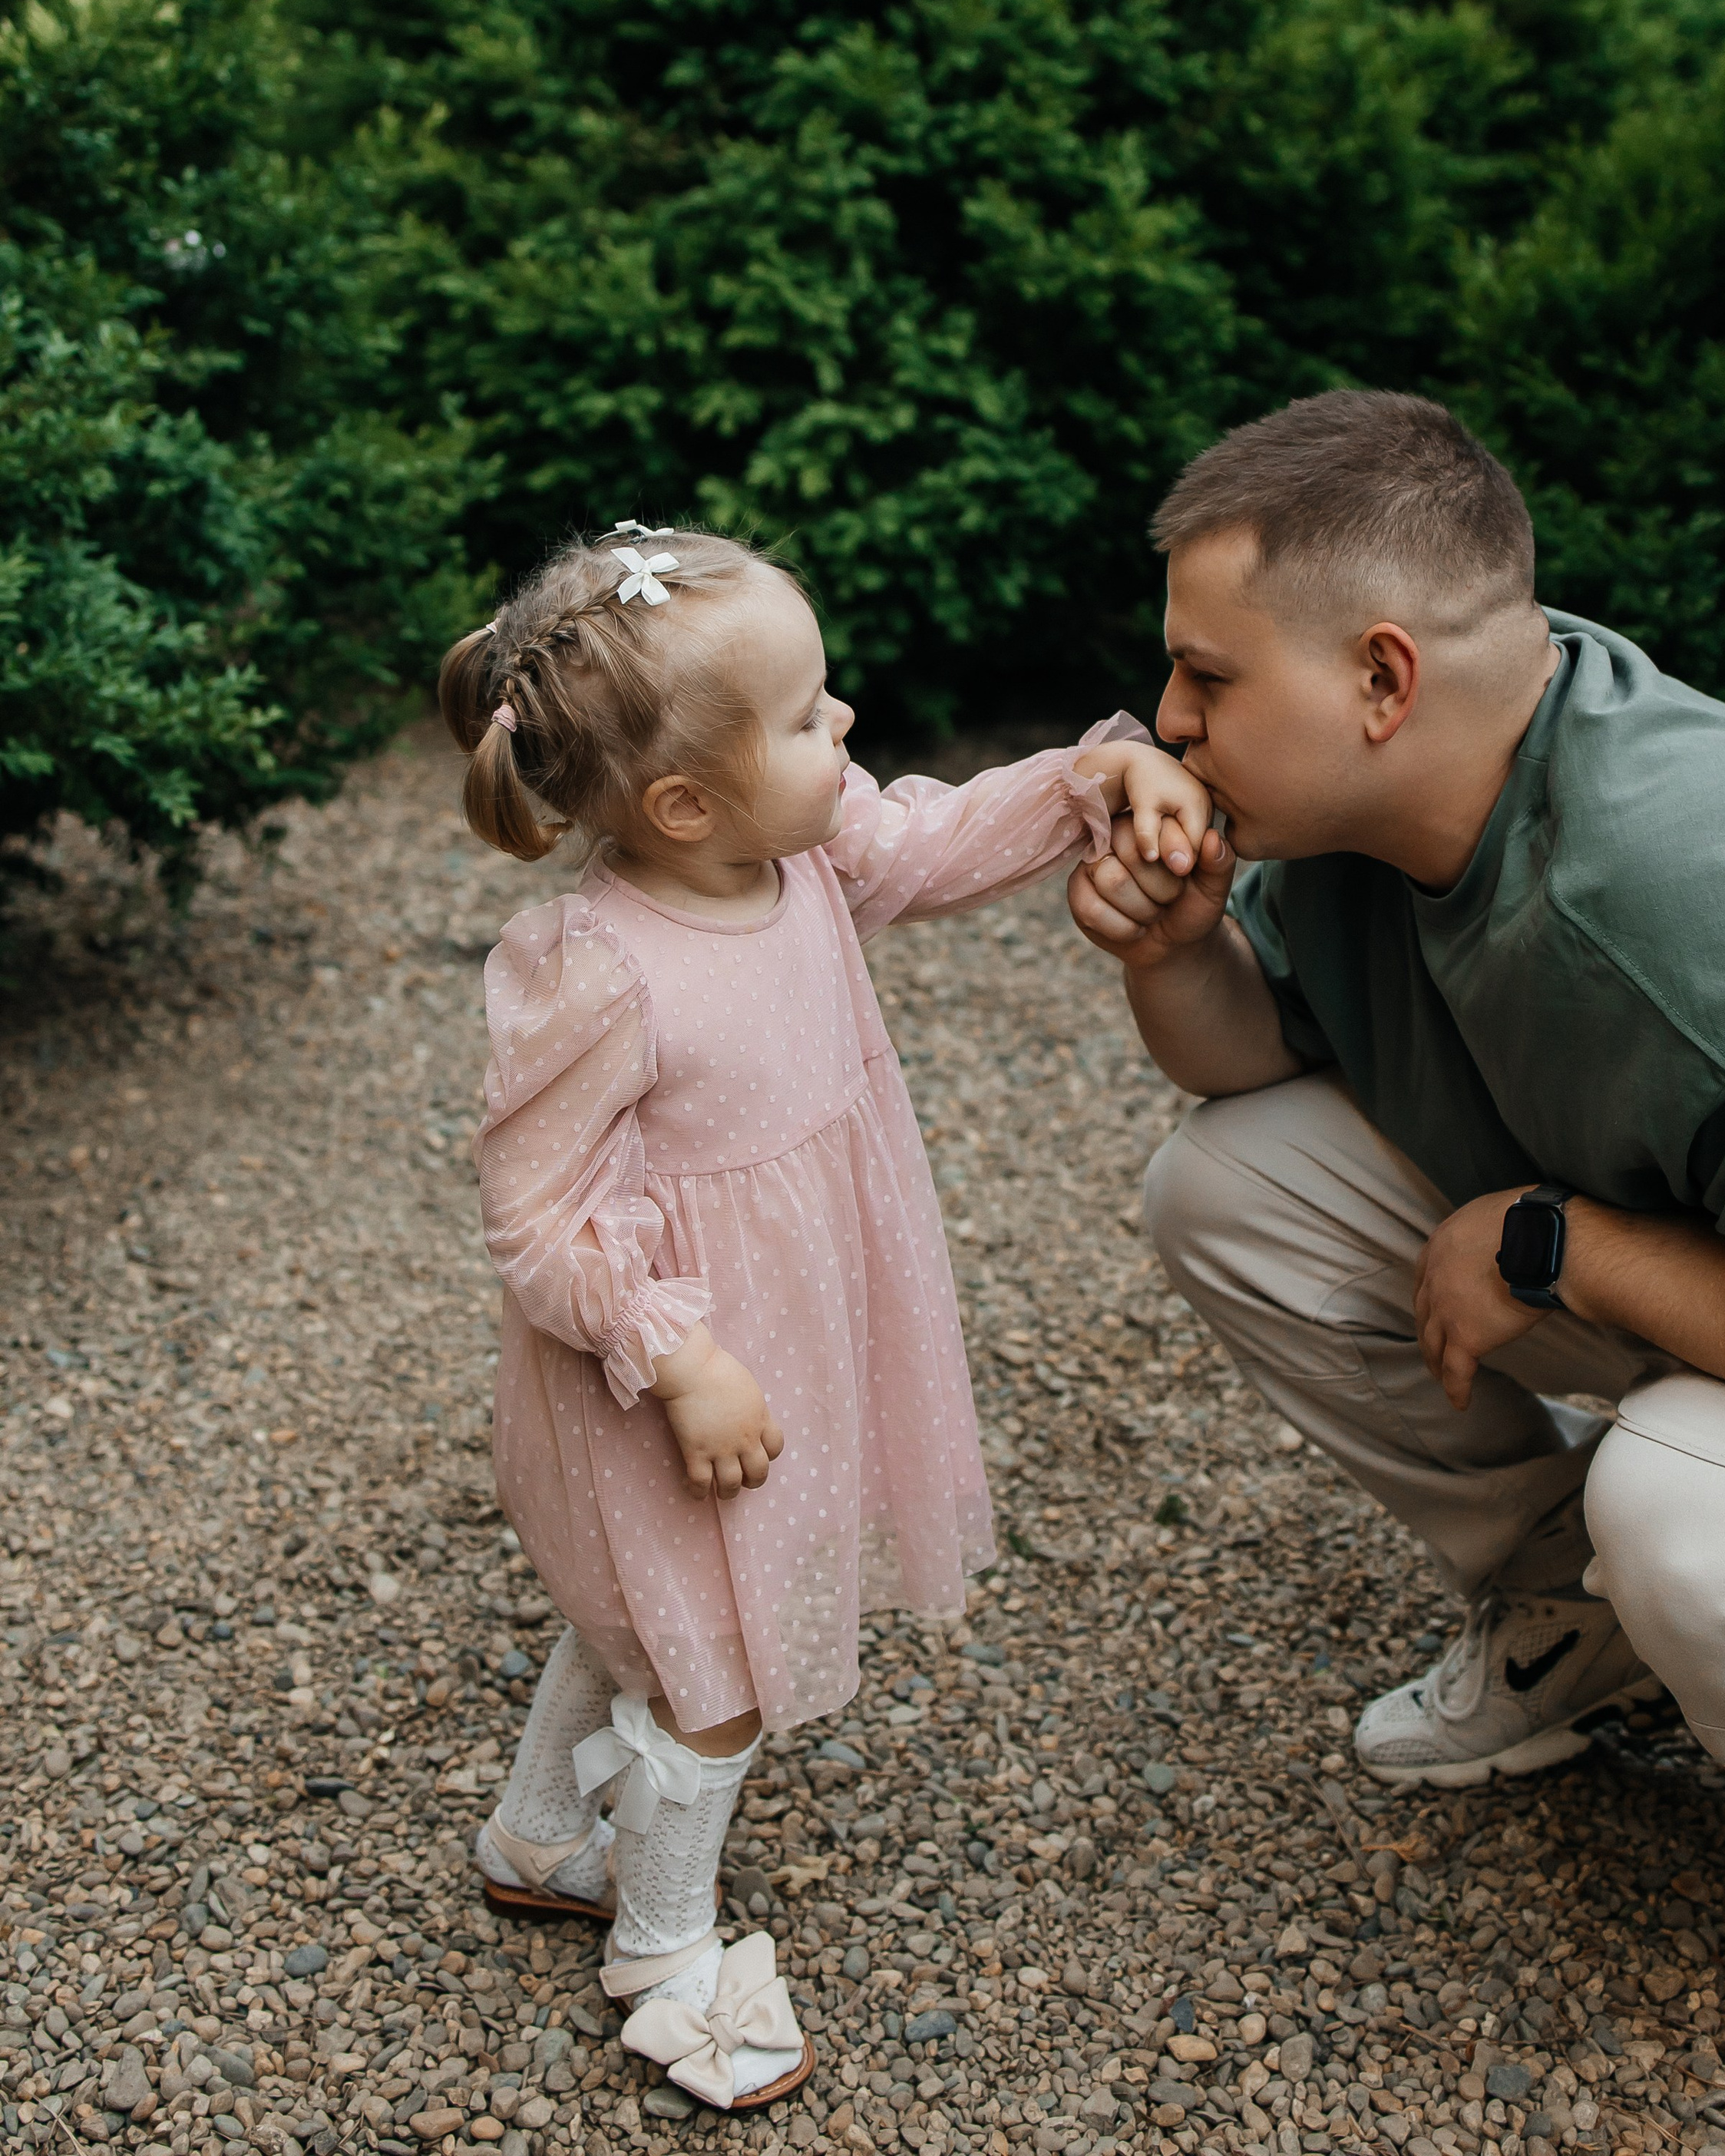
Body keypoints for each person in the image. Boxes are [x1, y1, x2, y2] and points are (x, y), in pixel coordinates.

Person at [1066, 389, 1725, 2114]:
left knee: (1691, 1507)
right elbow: (1255, 1068)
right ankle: (1578, 1614)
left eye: (1206, 676)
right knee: (1228, 1188)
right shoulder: (1406, 797)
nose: (1167, 721)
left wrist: (1553, 1250)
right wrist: (1173, 946)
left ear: (1382, 679)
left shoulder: (1681, 907)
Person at [438, 523, 1209, 2114]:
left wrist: (1092, 779)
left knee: (653, 1616)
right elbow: (537, 1219)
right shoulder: (601, 972)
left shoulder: (802, 853)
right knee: (710, 1665)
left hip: (790, 1330)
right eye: (805, 715)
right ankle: (661, 1949)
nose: (844, 721)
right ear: (682, 805)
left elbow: (932, 838)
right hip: (672, 1378)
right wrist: (676, 1355)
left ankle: (537, 1835)